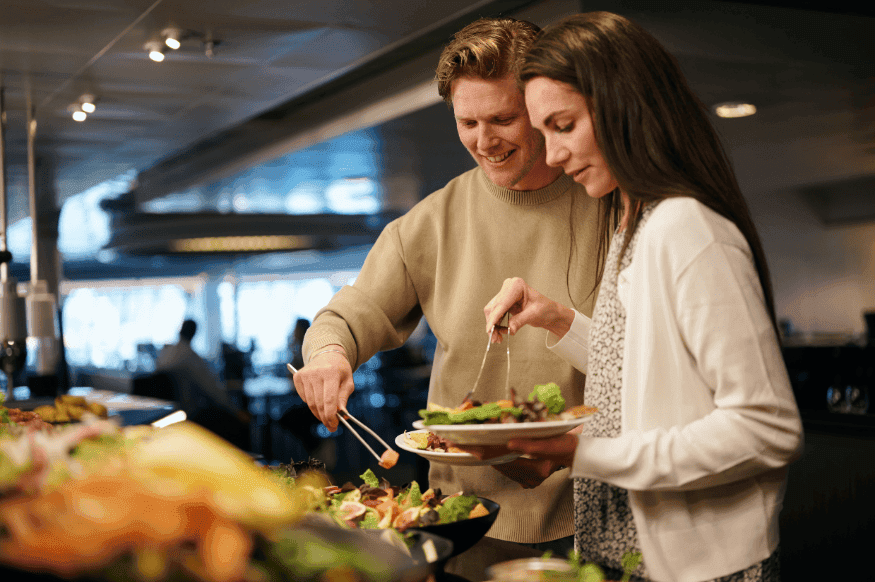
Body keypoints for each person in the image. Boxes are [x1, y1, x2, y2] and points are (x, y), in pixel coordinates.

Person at [476, 12, 804, 582]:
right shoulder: (634, 222)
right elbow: (641, 372)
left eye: (564, 125)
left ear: (623, 104)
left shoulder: (687, 228)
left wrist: (585, 453)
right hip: (634, 553)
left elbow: (765, 428)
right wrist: (557, 321)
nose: (551, 154)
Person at [293, 16, 609, 578]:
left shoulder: (604, 201)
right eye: (468, 122)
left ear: (539, 107)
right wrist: (328, 355)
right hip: (466, 519)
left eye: (503, 119)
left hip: (589, 511)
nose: (484, 141)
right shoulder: (431, 222)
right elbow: (348, 315)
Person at [157, 319, 251, 448]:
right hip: (191, 415)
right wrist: (237, 411)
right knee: (236, 423)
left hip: (167, 414)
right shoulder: (190, 357)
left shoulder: (165, 354)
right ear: (194, 333)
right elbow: (213, 391)